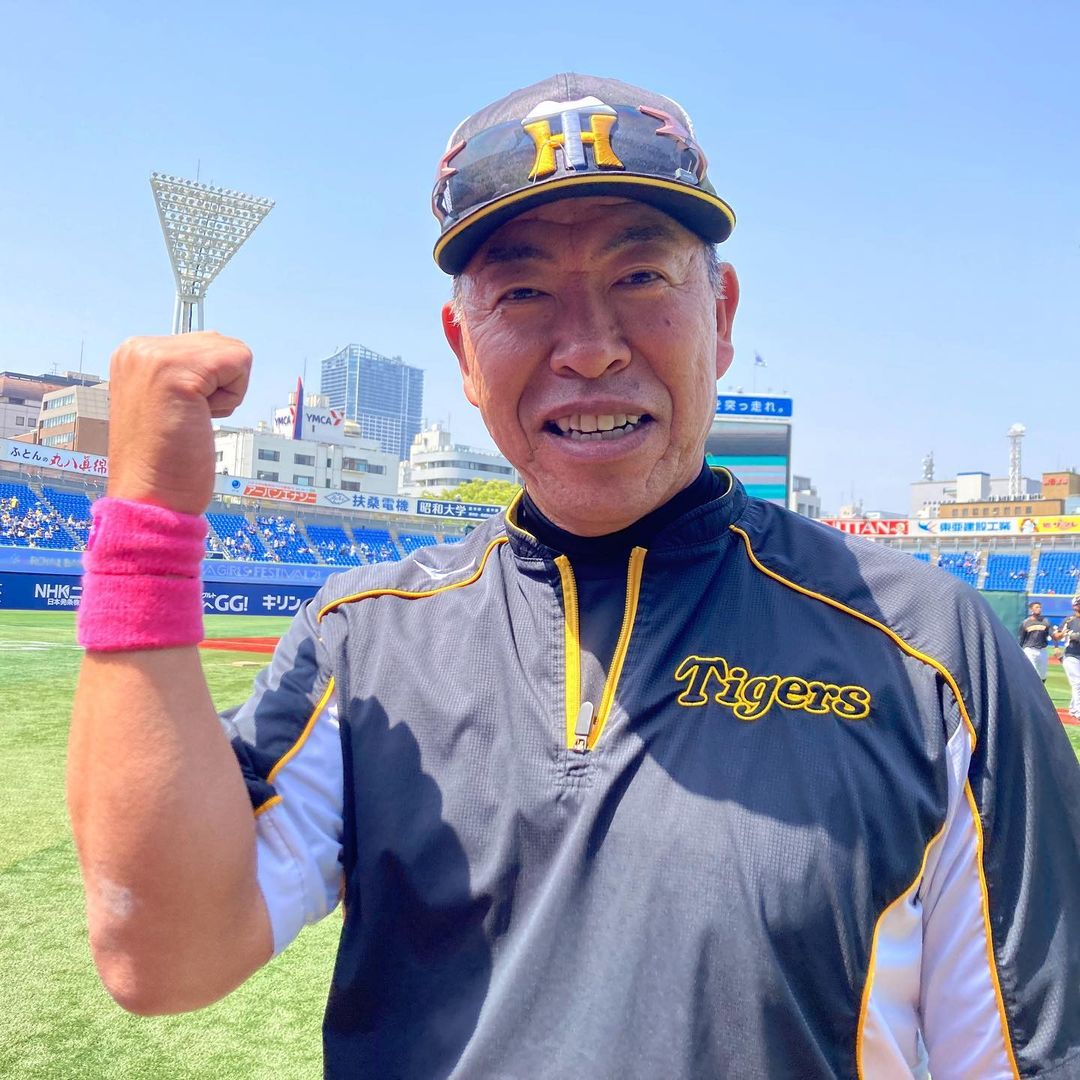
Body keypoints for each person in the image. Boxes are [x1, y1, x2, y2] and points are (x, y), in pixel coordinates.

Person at [68, 74, 1080, 1079]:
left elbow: (1030, 1052)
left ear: (722, 314)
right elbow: (162, 955)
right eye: (522, 292)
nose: (590, 349)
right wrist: (147, 526)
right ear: (464, 351)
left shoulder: (928, 650)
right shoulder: (365, 640)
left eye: (642, 276)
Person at [1018, 599, 1055, 682]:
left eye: (1040, 607)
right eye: (1037, 607)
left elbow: (1053, 634)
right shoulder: (1026, 623)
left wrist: (1056, 645)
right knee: (1032, 672)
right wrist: (1020, 651)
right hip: (1030, 649)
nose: (1039, 609)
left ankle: (1041, 688)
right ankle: (1031, 689)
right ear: (1031, 609)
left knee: (1043, 674)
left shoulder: (1045, 621)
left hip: (1042, 649)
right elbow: (1022, 638)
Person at [1060, 597, 1080, 719]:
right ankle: (1078, 711)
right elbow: (1057, 635)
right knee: (1077, 683)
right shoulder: (1069, 620)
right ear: (1074, 606)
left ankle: (1073, 708)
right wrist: (1056, 647)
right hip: (1071, 655)